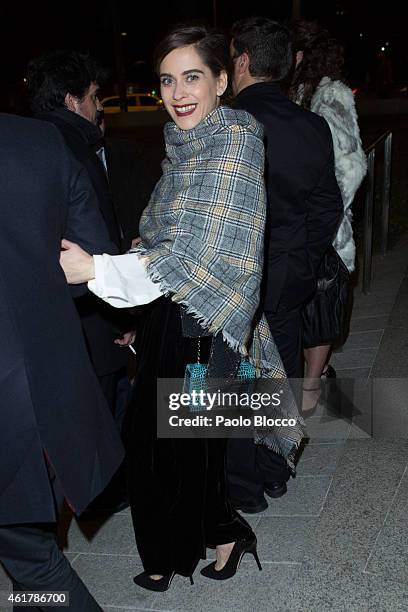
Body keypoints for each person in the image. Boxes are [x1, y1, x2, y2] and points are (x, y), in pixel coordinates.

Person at [60, 25, 303, 590]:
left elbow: (199, 251)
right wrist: (134, 314)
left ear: (222, 80)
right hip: (168, 315)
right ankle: (166, 551)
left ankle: (222, 534)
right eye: (167, 80)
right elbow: (160, 239)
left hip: (209, 324)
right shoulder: (183, 146)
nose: (178, 92)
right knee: (150, 445)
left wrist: (97, 270)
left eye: (192, 76)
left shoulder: (237, 142)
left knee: (192, 451)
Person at [0, 112, 124, 611]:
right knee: (28, 551)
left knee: (32, 561)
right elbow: (90, 254)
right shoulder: (36, 137)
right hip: (48, 383)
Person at [226, 17, 343, 513]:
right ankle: (276, 470)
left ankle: (243, 478)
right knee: (284, 369)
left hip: (234, 277)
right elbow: (326, 208)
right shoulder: (310, 125)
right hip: (288, 274)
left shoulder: (225, 124)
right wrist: (299, 256)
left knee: (233, 377)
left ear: (244, 61)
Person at [27, 51, 135, 512]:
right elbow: (97, 244)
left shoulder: (28, 144)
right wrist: (121, 315)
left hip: (42, 309)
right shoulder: (78, 149)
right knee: (102, 407)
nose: (99, 107)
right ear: (73, 100)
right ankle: (102, 495)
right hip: (89, 309)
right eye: (93, 97)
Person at [289, 22, 367, 402]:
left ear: (303, 54)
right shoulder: (297, 93)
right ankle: (314, 372)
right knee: (304, 309)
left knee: (319, 310)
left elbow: (350, 167)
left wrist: (323, 214)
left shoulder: (331, 94)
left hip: (325, 227)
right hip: (301, 221)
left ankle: (311, 384)